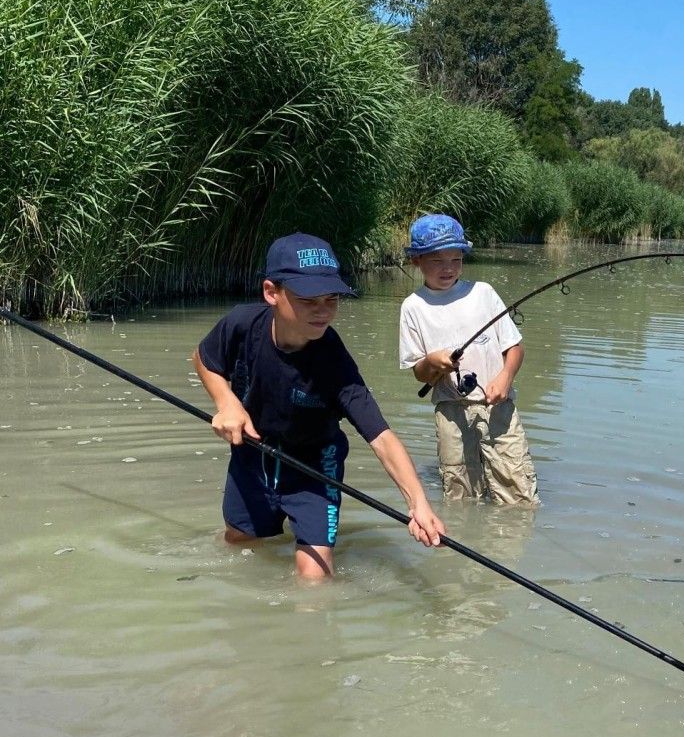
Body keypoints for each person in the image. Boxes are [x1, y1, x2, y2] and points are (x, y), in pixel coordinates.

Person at [193, 232, 444, 580]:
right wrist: (227, 403)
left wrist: (418, 503)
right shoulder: (241, 324)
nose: (323, 310)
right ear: (271, 292)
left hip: (314, 467)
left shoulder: (335, 363)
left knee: (315, 577)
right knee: (239, 543)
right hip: (252, 453)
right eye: (308, 298)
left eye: (331, 299)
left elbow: (381, 436)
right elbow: (204, 359)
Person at [399, 213, 539, 506]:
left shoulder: (483, 293)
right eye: (437, 260)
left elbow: (515, 348)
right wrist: (434, 360)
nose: (448, 268)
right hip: (450, 410)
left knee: (518, 494)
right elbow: (419, 373)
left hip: (499, 407)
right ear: (417, 261)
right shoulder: (413, 307)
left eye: (456, 259)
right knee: (460, 495)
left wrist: (505, 377)